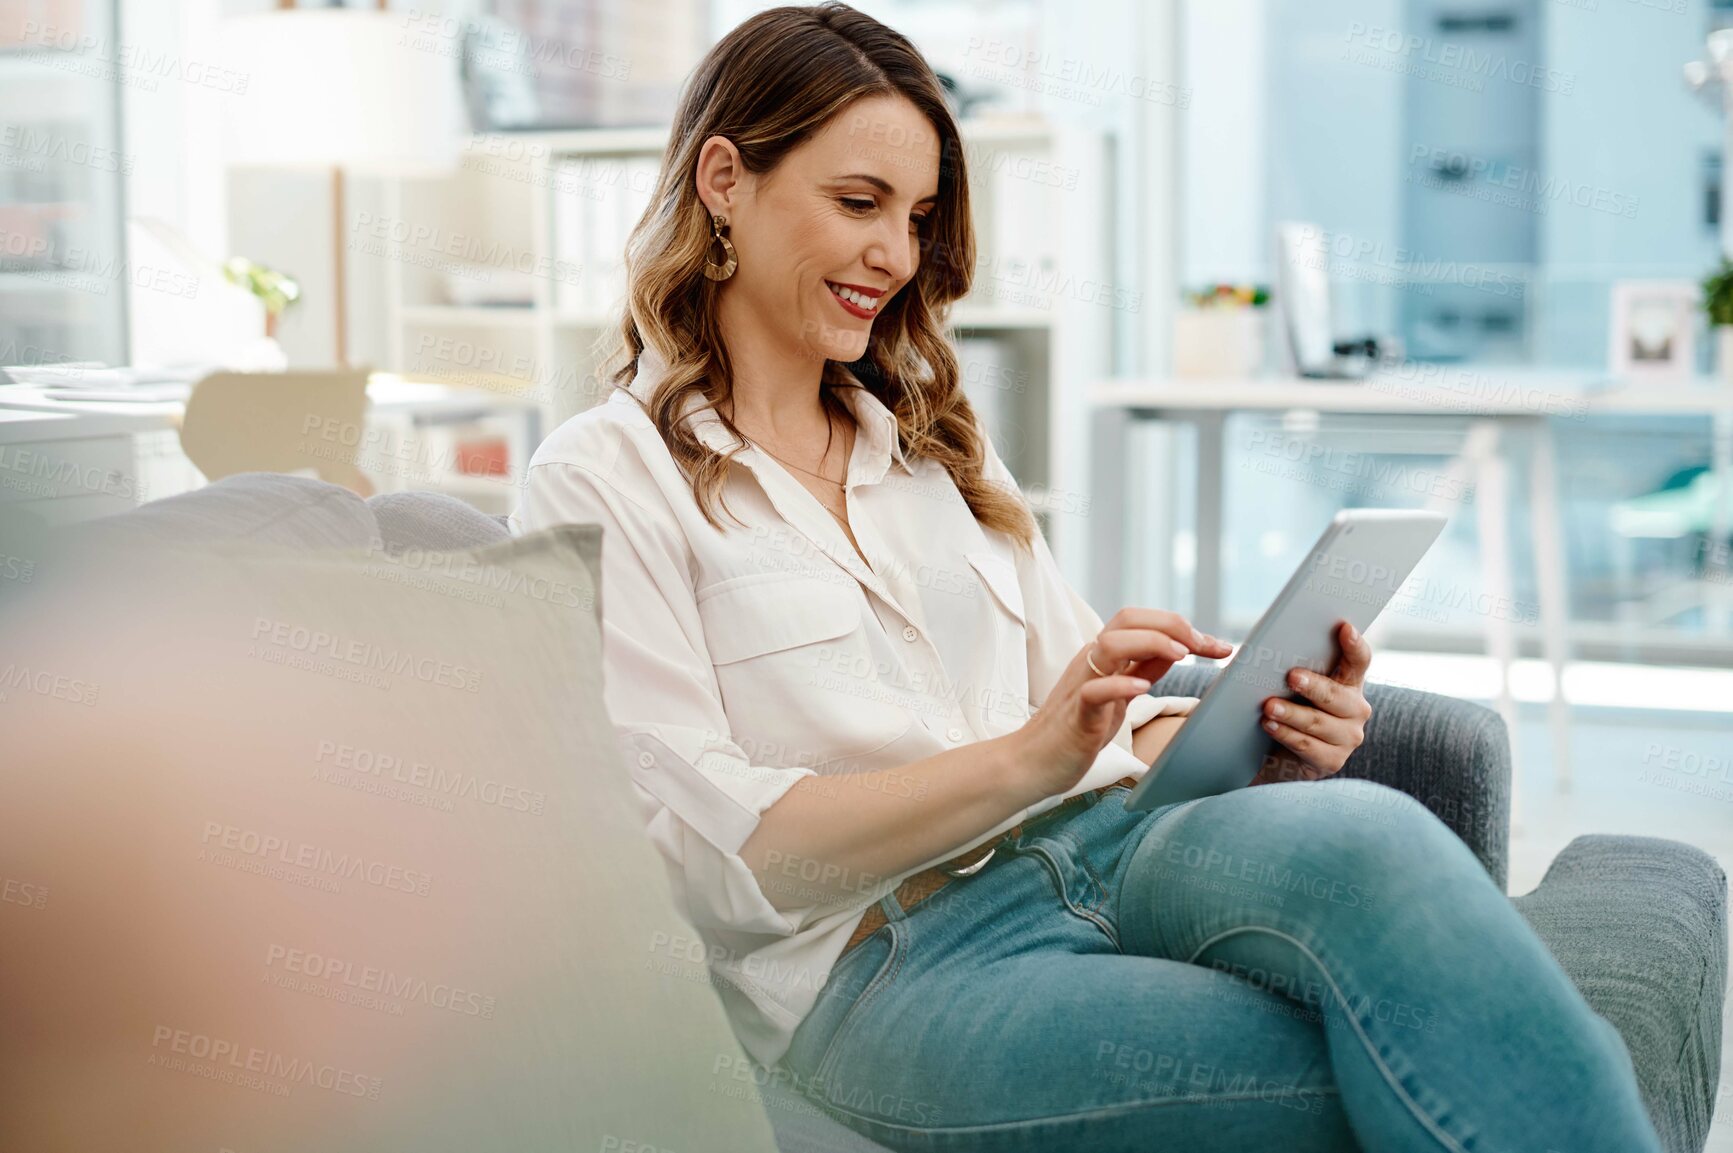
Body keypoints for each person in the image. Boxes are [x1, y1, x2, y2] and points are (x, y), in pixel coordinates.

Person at [510, 5, 1662, 1150]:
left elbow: (1089, 735)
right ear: (724, 179)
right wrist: (1024, 759)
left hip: (1111, 847)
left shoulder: (928, 447)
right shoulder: (604, 479)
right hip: (891, 969)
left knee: (1379, 836)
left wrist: (1249, 731)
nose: (894, 256)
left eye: (914, 219)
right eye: (858, 204)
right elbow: (713, 865)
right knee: (1392, 1071)